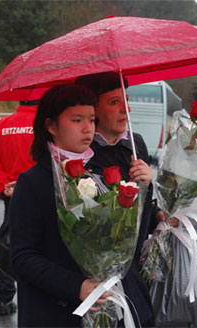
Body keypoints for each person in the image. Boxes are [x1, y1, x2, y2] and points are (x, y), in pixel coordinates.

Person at [76, 71, 178, 327]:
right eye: (114, 102)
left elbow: (145, 209)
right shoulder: (80, 153)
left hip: (132, 273)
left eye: (126, 100)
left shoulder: (136, 145)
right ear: (93, 109)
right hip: (92, 279)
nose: (126, 109)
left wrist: (155, 203)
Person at [9, 84, 114, 327]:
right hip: (52, 314)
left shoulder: (100, 176)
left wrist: (143, 190)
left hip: (103, 307)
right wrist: (77, 286)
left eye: (91, 119)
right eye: (77, 120)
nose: (88, 128)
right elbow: (23, 258)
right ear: (51, 126)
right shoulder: (32, 182)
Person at [0, 100, 38, 315]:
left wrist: (3, 185)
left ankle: (4, 299)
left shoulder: (2, 125)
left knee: (10, 244)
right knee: (41, 248)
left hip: (12, 195)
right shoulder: (47, 124)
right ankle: (33, 297)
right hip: (40, 193)